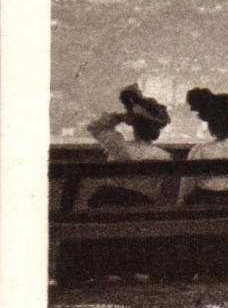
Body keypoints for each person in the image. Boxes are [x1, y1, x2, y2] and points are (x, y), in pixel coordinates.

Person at [62, 85, 174, 282]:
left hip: (109, 201)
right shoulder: (164, 157)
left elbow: (95, 128)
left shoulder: (118, 147)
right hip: (143, 207)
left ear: (135, 127)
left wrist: (121, 117)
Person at [180, 87, 228, 283]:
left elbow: (188, 182)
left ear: (210, 124)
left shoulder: (200, 150)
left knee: (193, 209)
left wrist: (181, 202)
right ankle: (219, 268)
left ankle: (199, 267)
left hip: (202, 201)